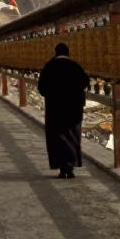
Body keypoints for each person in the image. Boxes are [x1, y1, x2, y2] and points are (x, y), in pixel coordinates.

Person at [37, 42, 91, 179]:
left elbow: (42, 89)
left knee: (57, 138)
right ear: (68, 53)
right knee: (72, 137)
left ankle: (62, 168)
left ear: (56, 53)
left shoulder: (49, 67)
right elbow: (85, 84)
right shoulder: (76, 67)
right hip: (73, 110)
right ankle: (71, 167)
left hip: (55, 110)